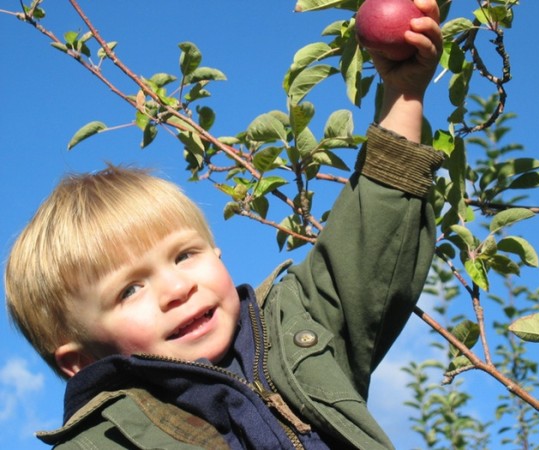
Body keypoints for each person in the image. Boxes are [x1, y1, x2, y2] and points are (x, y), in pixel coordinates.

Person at [4, 0, 445, 448]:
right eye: (129, 290)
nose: (177, 289)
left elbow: (371, 236)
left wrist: (403, 93)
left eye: (184, 255)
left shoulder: (295, 330)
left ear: (217, 252)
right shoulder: (103, 443)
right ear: (78, 360)